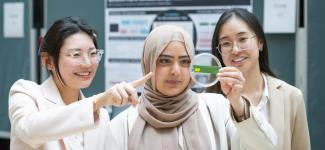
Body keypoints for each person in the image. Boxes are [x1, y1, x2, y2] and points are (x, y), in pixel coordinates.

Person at [109, 24, 277, 150]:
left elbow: (266, 146)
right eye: (164, 60)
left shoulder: (216, 108)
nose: (176, 71)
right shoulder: (123, 124)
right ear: (148, 63)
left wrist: (238, 104)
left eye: (185, 61)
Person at [8, 17, 152, 150]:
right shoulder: (26, 92)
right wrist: (98, 102)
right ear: (48, 61)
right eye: (76, 54)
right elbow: (29, 131)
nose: (88, 63)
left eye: (93, 53)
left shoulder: (101, 116)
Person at [206, 8, 310, 150]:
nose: (235, 49)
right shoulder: (207, 100)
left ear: (260, 42)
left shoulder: (291, 96)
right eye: (226, 43)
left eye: (242, 39)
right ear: (219, 51)